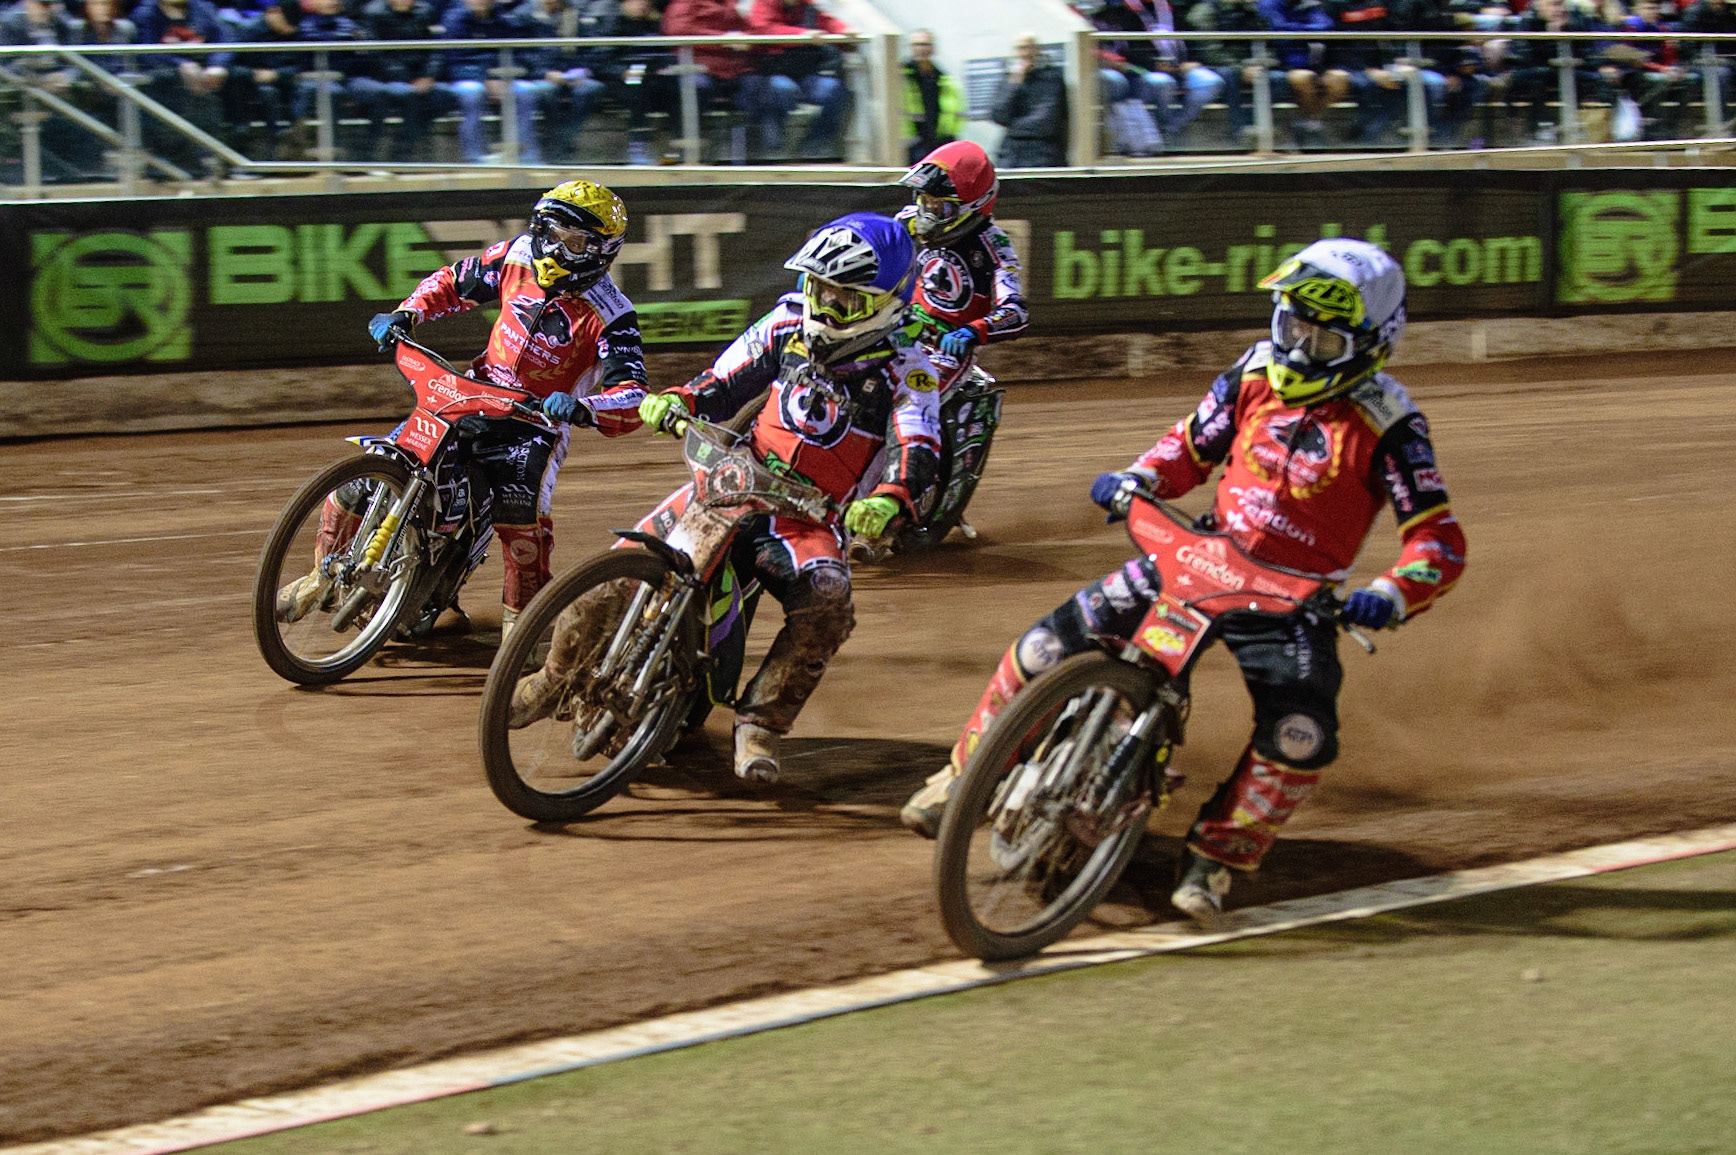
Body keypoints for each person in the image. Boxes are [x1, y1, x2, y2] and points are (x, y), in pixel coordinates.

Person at [901, 238, 1468, 924]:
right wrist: (1138, 477)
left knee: (1301, 735)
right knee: (1040, 652)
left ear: (1372, 343)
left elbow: (1439, 540)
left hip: (1293, 599)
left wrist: (1392, 592)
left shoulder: (1392, 424)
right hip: (1201, 554)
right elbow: (1190, 446)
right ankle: (962, 775)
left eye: (1322, 338)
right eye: (1292, 324)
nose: (1299, 345)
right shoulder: (1254, 372)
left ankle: (1218, 858)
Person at [577, 213, 942, 783]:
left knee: (828, 603)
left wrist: (892, 497)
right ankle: (553, 674)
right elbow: (723, 381)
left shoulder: (908, 370)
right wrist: (679, 401)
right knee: (622, 566)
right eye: (817, 288)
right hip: (734, 478)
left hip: (807, 518)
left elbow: (918, 444)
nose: (823, 306)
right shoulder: (787, 324)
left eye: (844, 299)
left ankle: (760, 723)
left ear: (886, 303)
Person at [279, 182, 648, 636]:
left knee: (521, 524)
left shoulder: (614, 314)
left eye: (568, 241)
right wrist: (407, 313)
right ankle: (320, 577)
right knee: (373, 470)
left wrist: (582, 407)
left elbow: (632, 392)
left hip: (535, 425)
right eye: (549, 232)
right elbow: (455, 281)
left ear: (598, 251)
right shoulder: (517, 255)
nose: (551, 247)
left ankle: (524, 633)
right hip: (472, 392)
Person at [896, 140, 1027, 381]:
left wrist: (972, 331)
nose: (928, 216)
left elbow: (1016, 312)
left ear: (972, 206)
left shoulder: (993, 244)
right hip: (901, 329)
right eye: (925, 203)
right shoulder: (908, 221)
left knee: (915, 396)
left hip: (945, 348)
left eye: (940, 208)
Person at [439, 0, 547, 163]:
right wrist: (484, 79)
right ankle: (474, 157)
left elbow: (518, 54)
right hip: (467, 78)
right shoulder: (455, 20)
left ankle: (527, 156)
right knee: (473, 94)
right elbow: (453, 61)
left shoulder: (505, 19)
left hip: (503, 77)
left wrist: (501, 77)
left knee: (526, 92)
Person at [745, 0, 852, 159]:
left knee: (834, 90)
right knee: (780, 89)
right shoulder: (764, 3)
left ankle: (814, 144)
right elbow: (762, 28)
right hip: (772, 73)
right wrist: (800, 34)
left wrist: (846, 31)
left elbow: (827, 21)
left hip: (806, 73)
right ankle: (773, 148)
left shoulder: (808, 6)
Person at [353, 0, 453, 162]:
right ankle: (404, 154)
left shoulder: (426, 10)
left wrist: (429, 75)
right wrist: (408, 79)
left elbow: (437, 48)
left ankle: (407, 147)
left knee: (446, 95)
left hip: (423, 77)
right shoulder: (373, 13)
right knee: (410, 94)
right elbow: (376, 54)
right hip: (387, 78)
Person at [1256, 0, 1352, 147]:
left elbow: (1325, 26)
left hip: (1317, 63)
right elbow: (1277, 29)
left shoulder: (1311, 4)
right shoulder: (1269, 4)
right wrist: (1306, 31)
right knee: (1304, 78)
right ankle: (1312, 126)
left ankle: (1310, 122)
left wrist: (1298, 31)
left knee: (1340, 78)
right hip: (1283, 64)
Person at [992, 31, 1069, 167]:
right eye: (1020, 48)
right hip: (1011, 155)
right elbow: (998, 115)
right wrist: (1015, 82)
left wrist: (1013, 126)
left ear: (1037, 50)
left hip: (1044, 154)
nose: (1024, 54)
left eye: (1028, 47)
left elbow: (1045, 122)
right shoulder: (1009, 79)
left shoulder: (1052, 77)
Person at [902, 28, 963, 163]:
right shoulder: (902, 76)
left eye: (925, 44)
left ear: (933, 49)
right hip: (913, 144)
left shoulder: (944, 78)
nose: (921, 48)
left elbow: (956, 113)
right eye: (916, 44)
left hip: (940, 142)